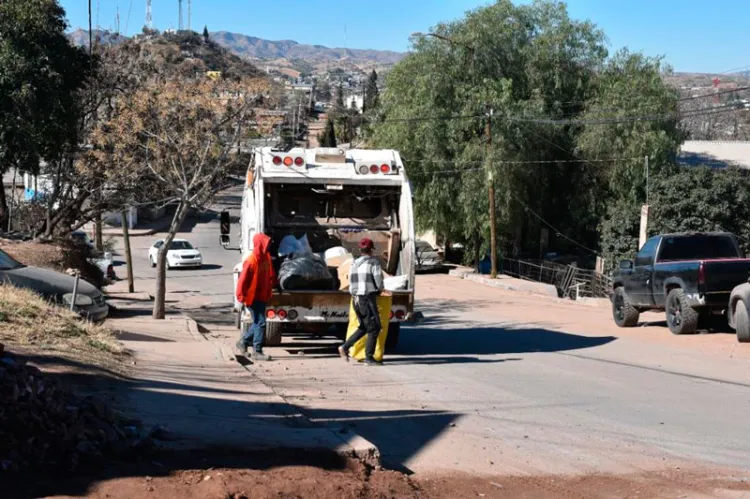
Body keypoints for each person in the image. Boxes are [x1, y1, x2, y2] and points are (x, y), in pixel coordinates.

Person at [338, 237, 385, 366]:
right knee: (374, 328)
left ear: (361, 249)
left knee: (364, 327)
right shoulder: (373, 263)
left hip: (356, 299)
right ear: (371, 250)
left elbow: (351, 282)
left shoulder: (354, 263)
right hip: (366, 299)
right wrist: (380, 290)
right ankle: (369, 358)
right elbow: (378, 281)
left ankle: (345, 347)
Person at [235, 233, 275, 361]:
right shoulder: (251, 261)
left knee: (258, 322)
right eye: (266, 243)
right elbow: (242, 281)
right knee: (261, 323)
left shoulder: (266, 257)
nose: (269, 246)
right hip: (253, 297)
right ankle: (257, 351)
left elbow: (270, 274)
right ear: (260, 244)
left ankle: (243, 342)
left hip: (262, 296)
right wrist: (241, 297)